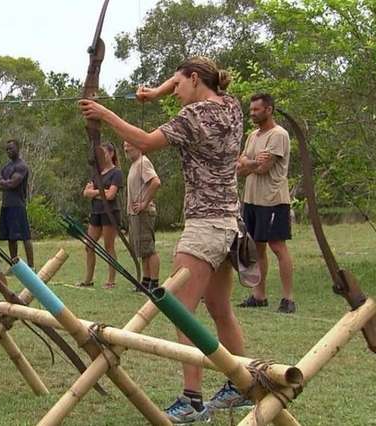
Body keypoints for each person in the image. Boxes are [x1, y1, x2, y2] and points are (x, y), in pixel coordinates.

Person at [80, 57, 250, 423]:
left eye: (177, 85)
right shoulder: (232, 107)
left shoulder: (193, 117)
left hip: (205, 225)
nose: (174, 93)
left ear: (193, 79)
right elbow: (193, 88)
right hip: (230, 223)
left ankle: (191, 400)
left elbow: (143, 141)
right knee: (220, 310)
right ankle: (244, 386)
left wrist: (104, 113)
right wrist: (157, 91)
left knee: (179, 308)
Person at [236, 94, 295, 313]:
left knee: (278, 247)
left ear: (269, 110)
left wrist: (247, 164)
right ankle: (259, 296)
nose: (252, 113)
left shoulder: (279, 135)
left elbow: (264, 167)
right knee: (256, 248)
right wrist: (250, 163)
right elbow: (239, 165)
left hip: (272, 201)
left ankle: (288, 298)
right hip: (251, 200)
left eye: (256, 110)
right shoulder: (252, 135)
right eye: (250, 110)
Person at [77, 142, 124, 289]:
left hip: (109, 213)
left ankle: (111, 281)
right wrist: (101, 191)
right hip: (96, 212)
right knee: (89, 245)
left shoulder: (116, 173)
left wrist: (96, 192)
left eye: (104, 154)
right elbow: (86, 192)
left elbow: (111, 195)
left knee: (108, 246)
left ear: (111, 154)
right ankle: (88, 280)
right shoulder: (96, 172)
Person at [123, 141, 161, 291]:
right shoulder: (134, 164)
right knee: (141, 249)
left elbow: (156, 182)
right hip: (135, 214)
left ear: (138, 146)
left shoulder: (143, 162)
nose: (126, 148)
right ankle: (146, 281)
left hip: (144, 213)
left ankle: (155, 283)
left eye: (129, 145)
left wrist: (144, 202)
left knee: (149, 248)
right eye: (124, 146)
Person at [0, 139, 34, 267]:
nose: (9, 151)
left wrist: (4, 183)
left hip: (17, 205)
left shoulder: (21, 166)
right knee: (11, 238)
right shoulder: (7, 167)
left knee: (24, 236)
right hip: (6, 205)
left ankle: (31, 266)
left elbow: (13, 183)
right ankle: (15, 265)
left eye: (11, 148)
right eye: (7, 149)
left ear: (18, 148)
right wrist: (5, 183)